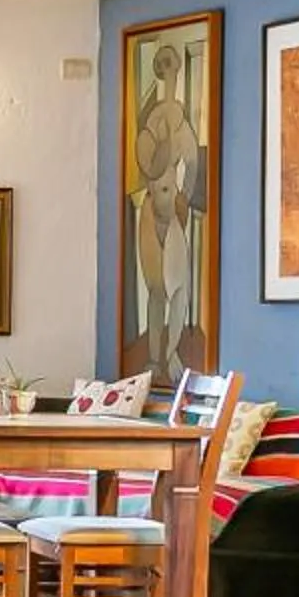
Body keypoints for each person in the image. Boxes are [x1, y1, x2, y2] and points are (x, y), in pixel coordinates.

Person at [129, 39, 204, 373]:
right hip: (152, 215)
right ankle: (153, 359)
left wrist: (184, 195)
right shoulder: (149, 130)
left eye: (171, 64)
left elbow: (193, 163)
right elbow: (154, 167)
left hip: (173, 213)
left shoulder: (180, 123)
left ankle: (171, 353)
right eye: (163, 65)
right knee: (156, 291)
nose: (168, 70)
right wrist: (167, 133)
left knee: (180, 290)